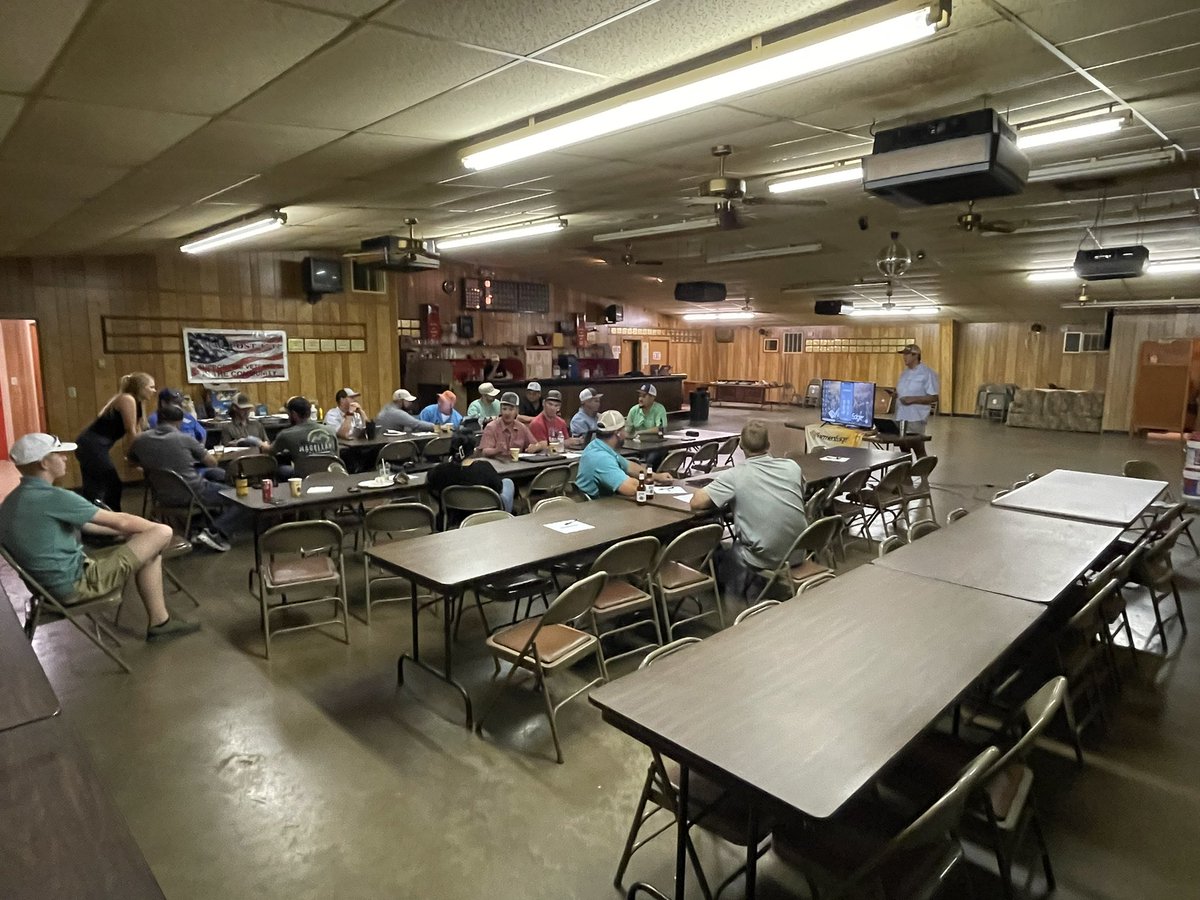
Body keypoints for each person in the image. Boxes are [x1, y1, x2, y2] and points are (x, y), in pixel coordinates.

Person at [0, 433, 200, 641]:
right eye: (59, 454)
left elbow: (88, 524)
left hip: (47, 589)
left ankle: (161, 621)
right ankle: (160, 623)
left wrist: (134, 533)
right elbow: (121, 521)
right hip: (75, 585)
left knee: (149, 545)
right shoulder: (54, 497)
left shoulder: (12, 502)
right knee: (162, 533)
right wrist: (155, 530)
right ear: (44, 463)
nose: (65, 458)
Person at [689, 420, 808, 602]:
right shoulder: (792, 467)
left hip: (765, 556)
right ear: (768, 445)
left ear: (740, 446)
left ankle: (729, 601)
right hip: (799, 550)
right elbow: (800, 492)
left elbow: (696, 502)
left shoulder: (735, 475)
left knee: (717, 554)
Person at [129, 405, 242, 552]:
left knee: (212, 478)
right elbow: (212, 462)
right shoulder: (185, 439)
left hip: (162, 495)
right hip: (193, 492)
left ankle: (198, 527)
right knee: (240, 497)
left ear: (158, 420)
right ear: (180, 422)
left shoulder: (140, 439)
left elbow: (131, 462)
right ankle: (216, 533)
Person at [74, 371, 156, 511]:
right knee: (112, 484)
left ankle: (93, 518)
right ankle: (114, 517)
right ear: (140, 387)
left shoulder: (137, 403)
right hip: (91, 444)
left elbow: (138, 431)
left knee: (93, 487)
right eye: (151, 387)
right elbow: (131, 431)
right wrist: (134, 457)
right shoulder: (127, 399)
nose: (154, 390)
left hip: (94, 445)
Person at [574, 410, 671, 499]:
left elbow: (630, 467)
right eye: (624, 430)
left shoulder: (598, 446)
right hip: (594, 508)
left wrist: (657, 477)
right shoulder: (601, 458)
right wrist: (646, 484)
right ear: (618, 433)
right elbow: (630, 488)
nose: (626, 434)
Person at [426, 428, 515, 516]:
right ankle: (507, 515)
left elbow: (430, 486)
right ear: (473, 450)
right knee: (507, 482)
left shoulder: (440, 470)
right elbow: (498, 488)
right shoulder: (485, 468)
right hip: (486, 514)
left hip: (453, 514)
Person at [889, 343, 940, 459]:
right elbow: (905, 391)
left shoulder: (927, 373)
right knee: (903, 448)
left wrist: (913, 400)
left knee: (918, 447)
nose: (904, 357)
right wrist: (896, 395)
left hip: (916, 418)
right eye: (903, 354)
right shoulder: (904, 373)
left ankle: (924, 470)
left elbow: (934, 397)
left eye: (907, 354)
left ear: (916, 355)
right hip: (901, 416)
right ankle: (906, 470)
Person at [268, 396, 338, 474]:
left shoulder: (286, 434)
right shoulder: (330, 430)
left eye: (288, 414)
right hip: (330, 474)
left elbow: (270, 451)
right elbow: (336, 455)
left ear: (294, 414)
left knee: (279, 468)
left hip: (303, 476)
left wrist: (260, 443)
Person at [480, 392, 546, 458]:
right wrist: (496, 450)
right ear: (500, 410)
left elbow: (535, 444)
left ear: (517, 411)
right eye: (504, 409)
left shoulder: (522, 427)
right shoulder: (491, 427)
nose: (507, 413)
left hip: (518, 463)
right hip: (497, 463)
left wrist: (536, 447)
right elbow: (485, 451)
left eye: (511, 409)